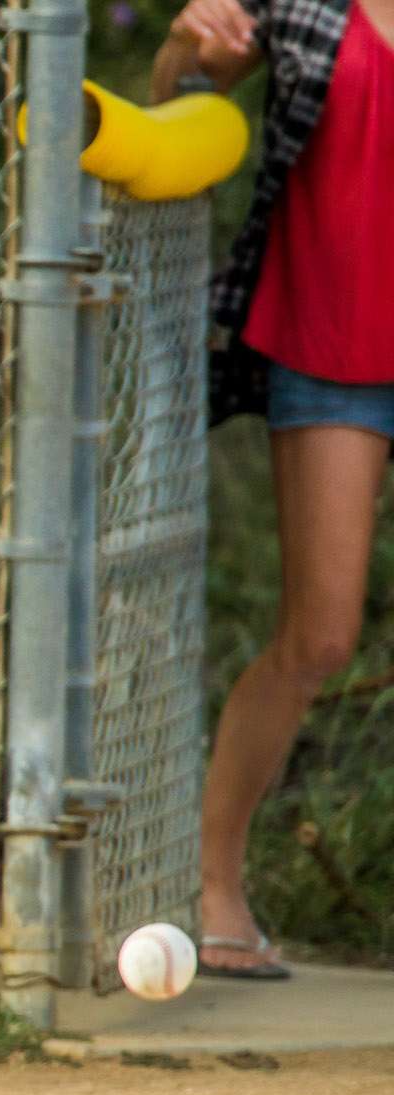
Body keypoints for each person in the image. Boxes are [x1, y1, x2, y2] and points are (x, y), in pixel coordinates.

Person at [158, 0, 394, 979]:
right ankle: (213, 884)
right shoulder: (304, 11)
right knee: (321, 636)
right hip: (336, 341)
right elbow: (175, 103)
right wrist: (184, 50)